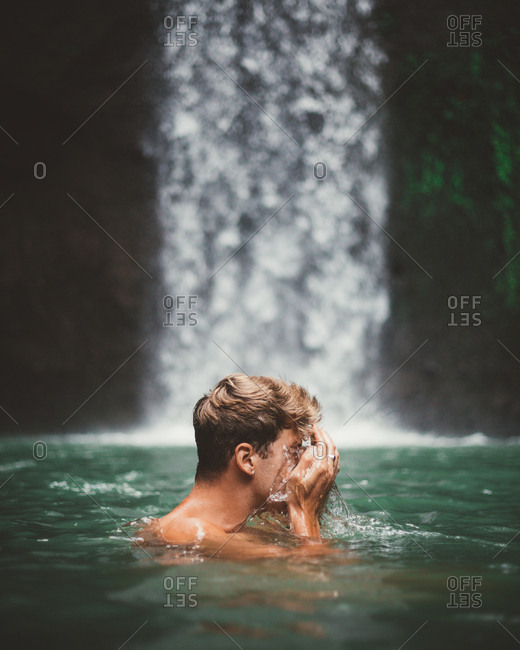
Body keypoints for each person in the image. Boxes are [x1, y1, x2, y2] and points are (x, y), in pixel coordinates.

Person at [141, 373, 341, 559]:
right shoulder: (188, 533)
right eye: (294, 449)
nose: (303, 461)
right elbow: (311, 587)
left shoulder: (237, 533)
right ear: (247, 460)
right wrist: (303, 510)